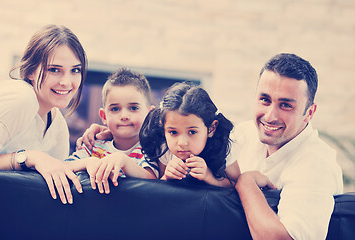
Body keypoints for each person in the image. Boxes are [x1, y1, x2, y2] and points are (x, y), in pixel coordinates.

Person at [234, 53, 343, 240]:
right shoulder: (242, 135)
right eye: (265, 100)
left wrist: (245, 182)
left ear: (309, 113)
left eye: (285, 105)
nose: (270, 116)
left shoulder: (316, 163)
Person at [0, 24, 87, 205]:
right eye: (54, 69)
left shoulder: (58, 122)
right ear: (30, 71)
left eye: (75, 70)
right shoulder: (21, 97)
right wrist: (29, 157)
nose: (66, 82)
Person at [65, 68, 158, 194]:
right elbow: (63, 167)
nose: (124, 115)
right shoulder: (94, 146)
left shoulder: (150, 149)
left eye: (133, 108)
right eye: (115, 109)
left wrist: (124, 162)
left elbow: (153, 179)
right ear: (104, 117)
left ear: (149, 114)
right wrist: (88, 162)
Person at [139, 81, 240, 187]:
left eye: (192, 132)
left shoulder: (224, 147)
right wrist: (166, 177)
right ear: (163, 127)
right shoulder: (164, 149)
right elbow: (156, 192)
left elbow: (235, 185)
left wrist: (209, 177)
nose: (182, 143)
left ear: (211, 129)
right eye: (173, 132)